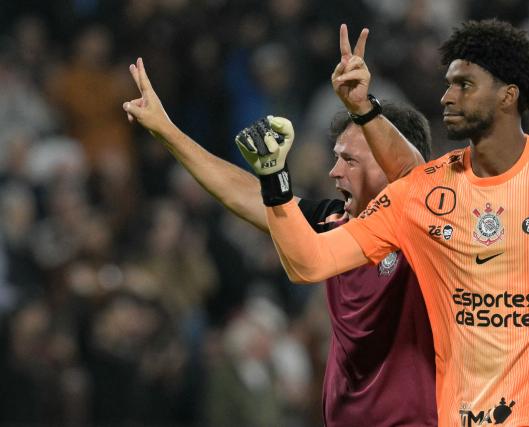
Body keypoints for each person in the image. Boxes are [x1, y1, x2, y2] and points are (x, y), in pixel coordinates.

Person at [236, 20, 529, 426]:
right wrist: (274, 179)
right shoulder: (424, 192)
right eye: (448, 84)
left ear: (508, 95)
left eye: (464, 85)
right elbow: (311, 262)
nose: (446, 96)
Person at [122, 28, 438, 425]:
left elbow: (418, 182)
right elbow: (244, 194)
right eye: (336, 157)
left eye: (350, 160)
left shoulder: (433, 229)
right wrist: (168, 131)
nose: (334, 170)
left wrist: (364, 107)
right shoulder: (334, 222)